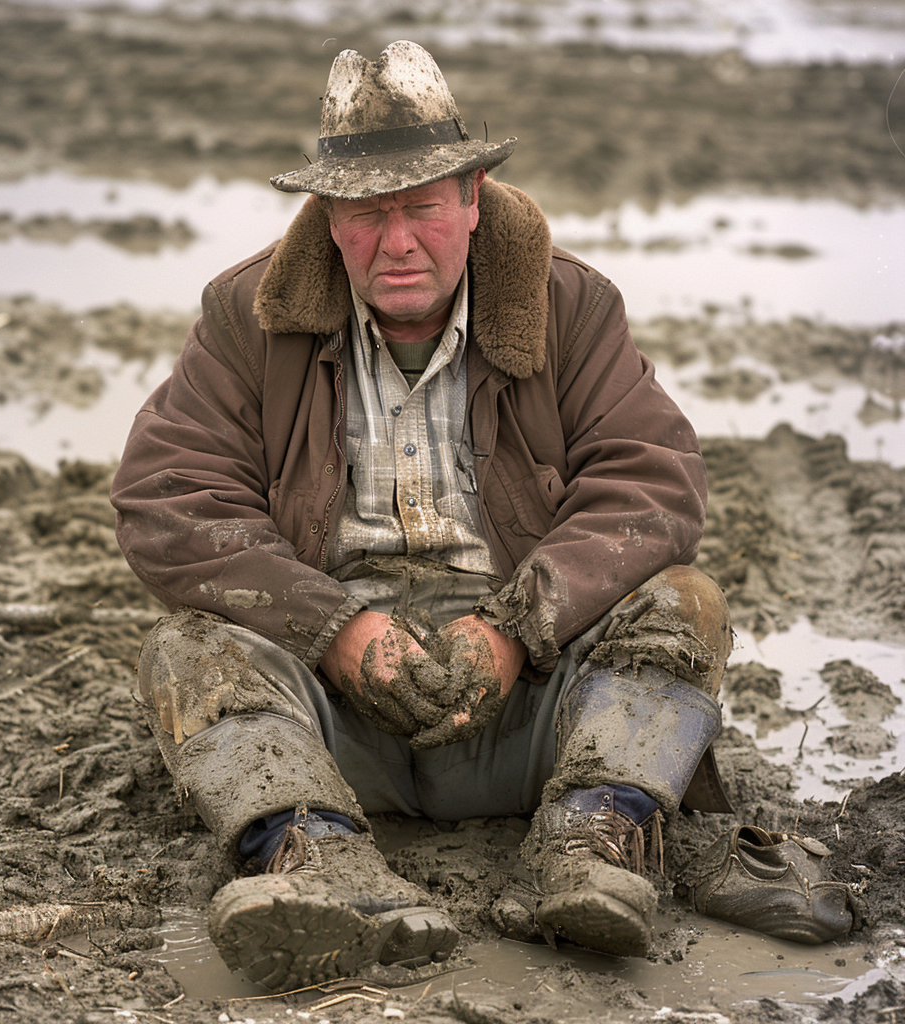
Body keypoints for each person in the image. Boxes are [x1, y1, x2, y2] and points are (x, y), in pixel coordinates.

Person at [110, 39, 737, 991]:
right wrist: (331, 629)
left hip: (533, 710)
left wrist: (521, 627)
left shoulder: (570, 304)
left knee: (684, 603)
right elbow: (167, 496)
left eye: (420, 208)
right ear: (326, 218)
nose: (396, 242)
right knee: (186, 650)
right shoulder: (248, 317)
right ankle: (315, 856)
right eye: (365, 214)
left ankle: (592, 843)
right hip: (335, 728)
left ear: (473, 199)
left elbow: (652, 484)